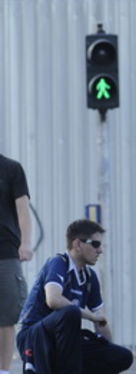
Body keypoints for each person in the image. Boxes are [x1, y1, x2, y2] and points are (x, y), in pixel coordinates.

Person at [17, 219, 133, 374]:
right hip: (34, 337)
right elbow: (53, 300)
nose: (100, 250)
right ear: (78, 244)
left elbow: (101, 320)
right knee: (70, 312)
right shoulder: (58, 263)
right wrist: (91, 316)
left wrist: (107, 349)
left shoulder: (90, 277)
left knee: (122, 356)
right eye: (96, 244)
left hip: (65, 343)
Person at [0, 153, 32, 374]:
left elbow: (23, 209)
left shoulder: (11, 169)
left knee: (6, 316)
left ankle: (3, 370)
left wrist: (26, 242)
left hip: (5, 251)